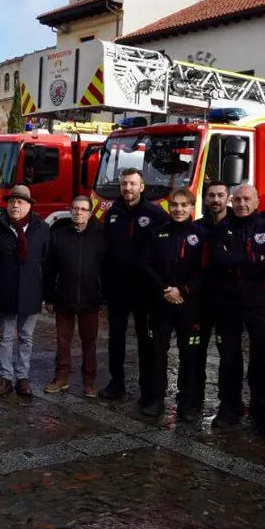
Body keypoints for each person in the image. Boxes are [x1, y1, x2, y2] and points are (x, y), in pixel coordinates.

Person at [212, 183, 265, 440]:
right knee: (229, 359)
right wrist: (256, 258)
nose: (242, 204)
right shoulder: (222, 228)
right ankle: (229, 409)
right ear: (232, 201)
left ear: (257, 202)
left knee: (264, 360)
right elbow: (217, 260)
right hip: (228, 304)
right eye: (238, 199)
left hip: (260, 304)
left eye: (247, 199)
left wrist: (237, 259)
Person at [100, 167, 169, 401]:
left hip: (145, 291)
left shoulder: (156, 214)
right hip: (117, 289)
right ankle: (116, 382)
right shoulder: (112, 213)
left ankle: (147, 388)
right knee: (116, 337)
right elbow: (104, 250)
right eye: (124, 184)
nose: (128, 188)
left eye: (132, 184)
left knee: (145, 340)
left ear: (141, 187)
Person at [141, 188, 207, 420]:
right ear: (168, 207)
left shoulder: (201, 235)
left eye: (183, 205)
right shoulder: (158, 233)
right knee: (158, 354)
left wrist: (184, 290)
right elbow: (147, 265)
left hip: (189, 305)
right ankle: (156, 399)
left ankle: (186, 403)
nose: (178, 209)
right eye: (174, 205)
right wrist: (165, 289)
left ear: (191, 207)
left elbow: (206, 271)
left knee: (189, 355)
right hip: (162, 303)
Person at [0, 185, 50, 397]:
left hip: (31, 289)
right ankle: (5, 378)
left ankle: (22, 377)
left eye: (21, 202)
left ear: (29, 206)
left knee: (26, 336)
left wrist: (47, 293)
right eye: (12, 201)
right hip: (6, 288)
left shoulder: (41, 228)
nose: (15, 205)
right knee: (5, 336)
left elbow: (47, 261)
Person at [44, 196, 106, 397]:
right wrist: (49, 297)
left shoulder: (100, 237)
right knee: (63, 341)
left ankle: (89, 382)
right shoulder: (59, 236)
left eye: (83, 209)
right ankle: (61, 377)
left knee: (89, 341)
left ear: (90, 213)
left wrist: (103, 295)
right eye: (75, 209)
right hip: (64, 297)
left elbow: (107, 270)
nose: (79, 212)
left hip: (90, 298)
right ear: (70, 211)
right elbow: (49, 269)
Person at [193, 180, 233, 410]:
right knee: (196, 350)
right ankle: (193, 396)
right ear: (206, 199)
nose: (216, 200)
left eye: (220, 195)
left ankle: (228, 402)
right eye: (211, 195)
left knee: (227, 352)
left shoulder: (235, 227)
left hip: (228, 300)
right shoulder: (197, 228)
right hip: (201, 300)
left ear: (227, 198)